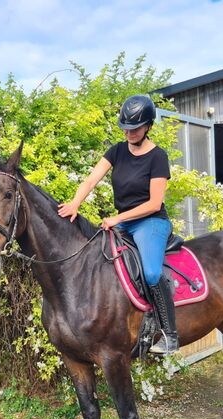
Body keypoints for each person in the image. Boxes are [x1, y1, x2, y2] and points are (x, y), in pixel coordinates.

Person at [57, 94, 178, 354]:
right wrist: (75, 203)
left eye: (135, 128)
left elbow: (155, 203)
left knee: (152, 273)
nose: (129, 133)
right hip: (124, 223)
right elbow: (90, 181)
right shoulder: (117, 150)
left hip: (150, 222)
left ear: (148, 126)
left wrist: (118, 218)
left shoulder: (158, 157)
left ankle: (169, 335)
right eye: (125, 127)